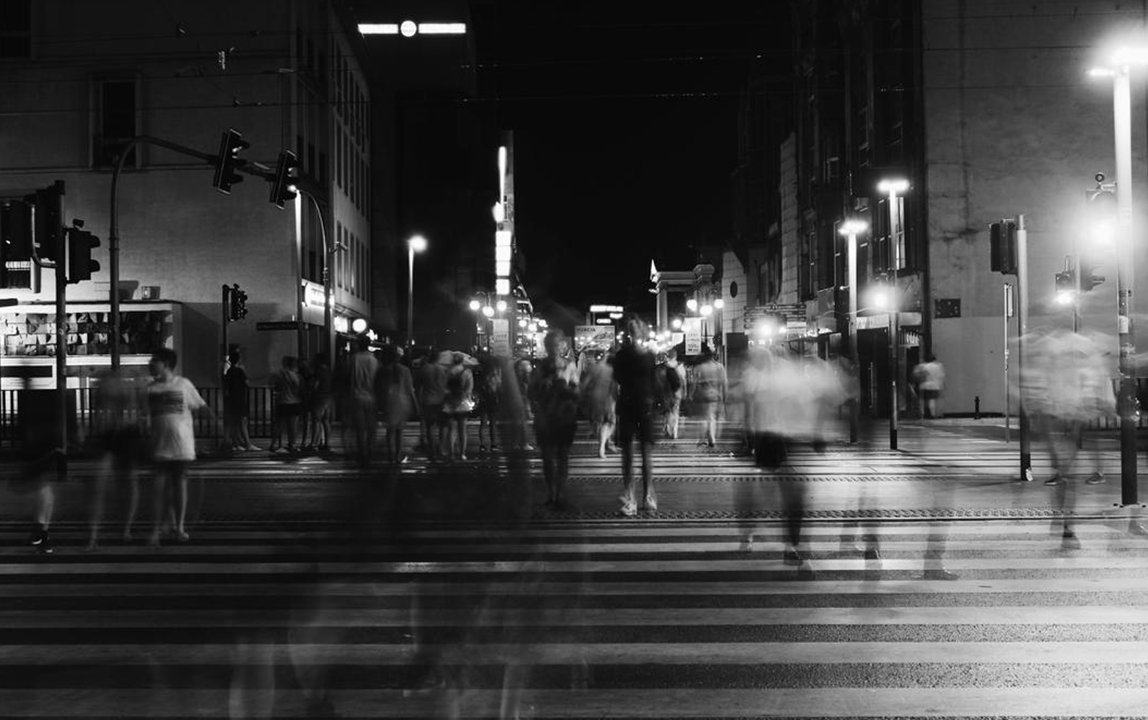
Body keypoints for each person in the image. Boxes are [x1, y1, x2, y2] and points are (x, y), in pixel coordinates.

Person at [145, 348, 211, 545]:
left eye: (154, 361)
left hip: (181, 444)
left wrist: (214, 430)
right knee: (160, 489)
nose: (150, 364)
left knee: (178, 487)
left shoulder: (183, 384)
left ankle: (178, 526)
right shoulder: (150, 388)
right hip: (159, 444)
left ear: (165, 363)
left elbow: (200, 406)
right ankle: (162, 526)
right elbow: (146, 415)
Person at [529, 330, 580, 509]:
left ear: (562, 346)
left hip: (565, 415)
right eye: (550, 345)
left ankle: (560, 493)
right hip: (546, 416)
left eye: (557, 344)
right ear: (546, 346)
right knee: (548, 458)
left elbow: (576, 392)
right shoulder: (540, 367)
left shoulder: (569, 366)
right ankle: (552, 493)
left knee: (563, 457)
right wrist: (544, 384)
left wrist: (566, 386)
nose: (553, 348)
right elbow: (532, 392)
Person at [612, 317, 658, 517]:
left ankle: (646, 495)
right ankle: (632, 496)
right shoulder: (626, 355)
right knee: (630, 454)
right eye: (633, 330)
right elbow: (618, 381)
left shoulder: (647, 355)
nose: (636, 333)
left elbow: (651, 380)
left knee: (643, 454)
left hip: (640, 405)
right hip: (632, 405)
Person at [377, 344, 419, 465]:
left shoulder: (384, 370)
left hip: (388, 402)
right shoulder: (405, 370)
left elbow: (380, 388)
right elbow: (410, 389)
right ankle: (397, 455)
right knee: (399, 432)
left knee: (390, 431)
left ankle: (391, 455)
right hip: (402, 403)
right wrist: (415, 405)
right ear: (400, 357)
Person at [346, 336, 380, 467]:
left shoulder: (353, 359)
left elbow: (348, 377)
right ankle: (370, 450)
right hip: (371, 397)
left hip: (356, 396)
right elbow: (378, 380)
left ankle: (362, 452)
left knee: (360, 428)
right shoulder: (374, 360)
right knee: (371, 427)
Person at [580, 349, 616, 458]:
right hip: (606, 397)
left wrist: (583, 398)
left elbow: (584, 385)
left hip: (594, 397)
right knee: (608, 422)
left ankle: (603, 444)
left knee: (598, 423)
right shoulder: (610, 370)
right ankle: (602, 446)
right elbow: (613, 387)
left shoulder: (592, 369)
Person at [442, 352, 476, 461]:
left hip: (450, 403)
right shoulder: (467, 372)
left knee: (451, 429)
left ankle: (451, 453)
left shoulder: (448, 372)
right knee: (462, 430)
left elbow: (444, 387)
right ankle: (462, 453)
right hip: (463, 404)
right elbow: (469, 389)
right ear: (462, 361)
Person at [223, 349, 259, 452]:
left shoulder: (229, 371)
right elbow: (247, 383)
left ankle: (236, 443)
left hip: (232, 399)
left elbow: (226, 385)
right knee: (243, 421)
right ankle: (247, 444)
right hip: (240, 398)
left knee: (234, 422)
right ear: (238, 359)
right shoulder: (239, 371)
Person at [416, 348, 447, 461]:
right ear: (438, 358)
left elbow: (418, 386)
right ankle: (441, 448)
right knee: (442, 426)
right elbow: (445, 386)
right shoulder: (442, 369)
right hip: (441, 400)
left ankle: (432, 450)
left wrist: (418, 402)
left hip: (428, 400)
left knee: (430, 427)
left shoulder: (423, 369)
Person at [692, 345, 727, 448]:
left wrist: (691, 394)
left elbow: (694, 383)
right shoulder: (719, 367)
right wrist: (724, 396)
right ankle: (712, 438)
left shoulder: (699, 367)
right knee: (711, 417)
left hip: (702, 395)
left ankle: (702, 439)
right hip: (714, 395)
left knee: (703, 417)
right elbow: (724, 383)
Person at [271, 356, 304, 453]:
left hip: (282, 402)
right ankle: (292, 444)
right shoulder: (297, 376)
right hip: (294, 402)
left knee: (279, 425)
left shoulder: (280, 375)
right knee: (293, 426)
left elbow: (276, 387)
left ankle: (273, 444)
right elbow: (300, 390)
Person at [474, 351, 503, 453]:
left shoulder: (480, 375)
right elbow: (499, 388)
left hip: (483, 401)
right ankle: (493, 444)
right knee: (492, 424)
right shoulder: (495, 376)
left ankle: (482, 444)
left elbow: (477, 389)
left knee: (483, 424)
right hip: (493, 401)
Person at [308, 353, 334, 454]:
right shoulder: (329, 371)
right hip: (328, 397)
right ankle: (327, 443)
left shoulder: (318, 372)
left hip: (319, 397)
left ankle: (314, 443)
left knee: (316, 420)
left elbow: (315, 385)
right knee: (326, 421)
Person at [661, 348, 686, 439]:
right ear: (675, 356)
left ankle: (667, 430)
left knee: (667, 412)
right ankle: (674, 432)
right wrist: (685, 392)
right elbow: (683, 381)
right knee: (675, 412)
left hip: (667, 393)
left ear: (668, 356)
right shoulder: (680, 366)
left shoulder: (663, 367)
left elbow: (661, 382)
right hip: (677, 392)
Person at [912, 353, 946, 419]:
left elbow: (917, 375)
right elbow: (941, 376)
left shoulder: (923, 366)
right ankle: (933, 414)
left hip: (924, 385)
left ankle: (922, 414)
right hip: (935, 385)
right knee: (932, 400)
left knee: (922, 400)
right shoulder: (938, 366)